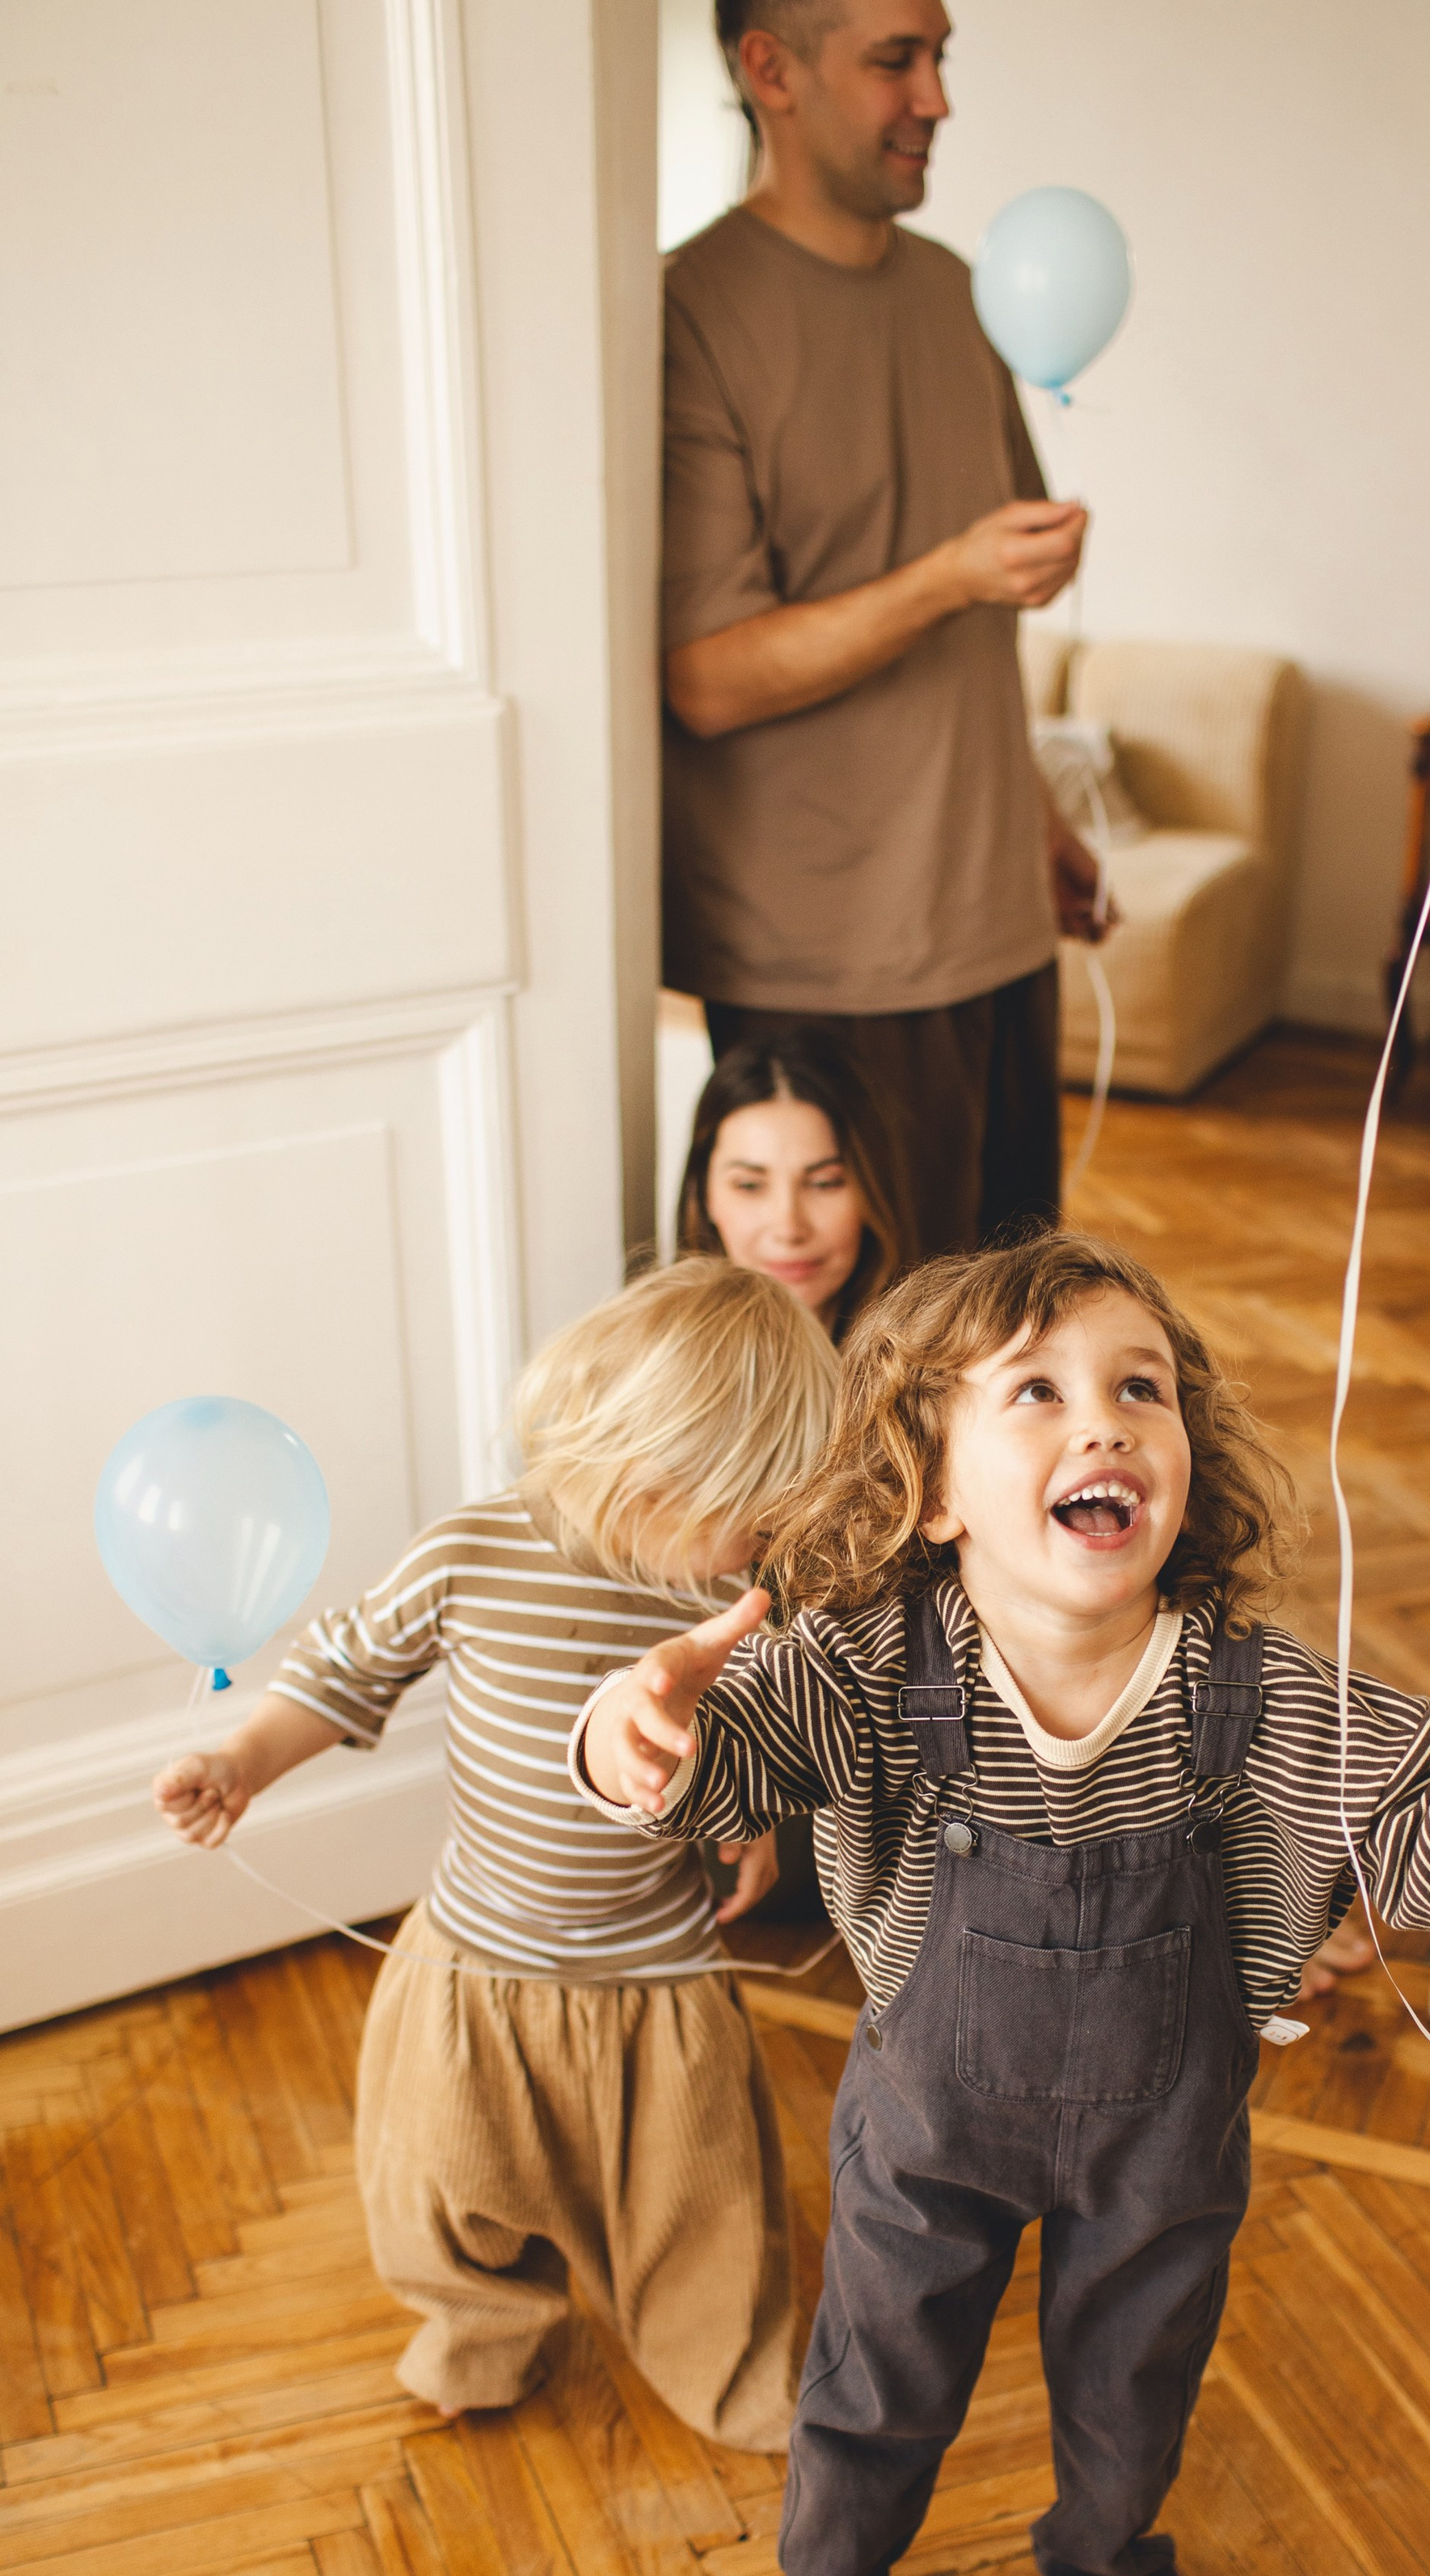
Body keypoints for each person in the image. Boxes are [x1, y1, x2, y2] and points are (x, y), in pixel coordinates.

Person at [573, 1234, 1430, 2576]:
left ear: (1184, 1461)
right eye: (1037, 1392)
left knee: (1136, 2383)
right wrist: (630, 1735)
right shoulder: (858, 1671)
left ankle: (1108, 2563)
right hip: (927, 2128)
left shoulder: (1262, 1693)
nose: (1106, 1420)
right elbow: (713, 1767)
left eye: (1143, 1386)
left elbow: (1420, 1841)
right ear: (932, 1489)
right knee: (872, 2389)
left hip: (1164, 2144)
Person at [152, 1258, 840, 2445]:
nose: (771, 1542)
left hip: (656, 1978)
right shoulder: (469, 1551)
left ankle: (730, 2370)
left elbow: (749, 1736)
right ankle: (481, 2333)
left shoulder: (730, 1599)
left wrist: (749, 1825)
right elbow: (343, 1667)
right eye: (761, 1509)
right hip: (474, 1962)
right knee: (437, 2182)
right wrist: (245, 1761)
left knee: (703, 2204)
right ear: (666, 1469)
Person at [660, 0, 1113, 1266]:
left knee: (1004, 1326)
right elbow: (704, 674)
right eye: (894, 62)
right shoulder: (689, 314)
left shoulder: (966, 299)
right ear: (772, 70)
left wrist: (1034, 823)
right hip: (827, 960)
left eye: (941, 57)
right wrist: (951, 575)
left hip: (996, 925)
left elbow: (982, 625)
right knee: (872, 1377)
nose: (936, 99)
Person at [679, 1037, 907, 1338]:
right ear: (705, 1194)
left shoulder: (940, 1370)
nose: (789, 1229)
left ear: (873, 1189)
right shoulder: (648, 1365)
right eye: (749, 1186)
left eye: (824, 1183)